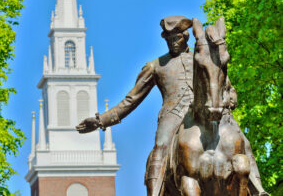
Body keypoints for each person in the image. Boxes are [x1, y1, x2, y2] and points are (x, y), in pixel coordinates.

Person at [76, 16, 264, 196]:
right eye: (169, 39)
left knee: (240, 139)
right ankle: (155, 192)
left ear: (186, 37)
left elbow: (225, 84)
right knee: (161, 147)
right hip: (173, 115)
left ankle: (257, 189)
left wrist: (231, 98)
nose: (173, 42)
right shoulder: (155, 66)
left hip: (207, 110)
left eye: (177, 38)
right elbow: (131, 100)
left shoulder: (202, 57)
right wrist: (102, 120)